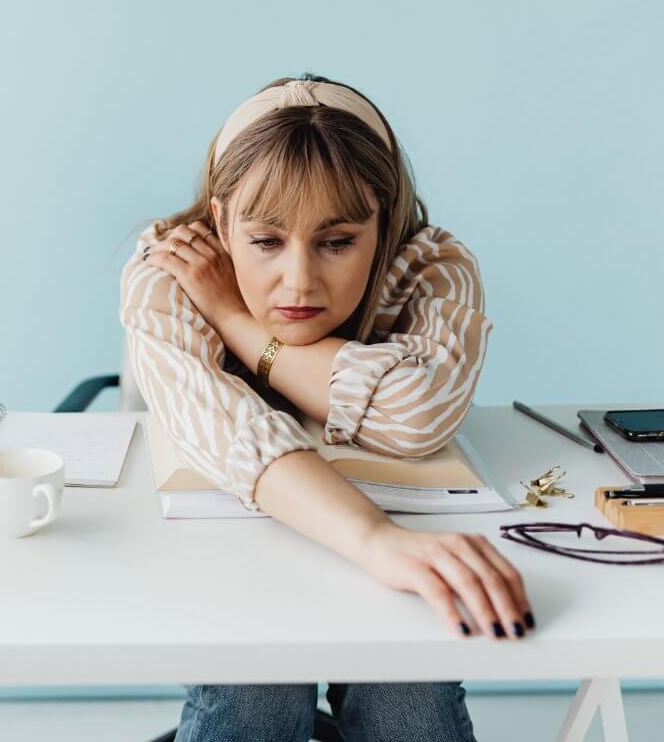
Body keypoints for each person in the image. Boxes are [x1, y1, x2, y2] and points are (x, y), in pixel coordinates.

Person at [118, 73, 533, 742]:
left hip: (382, 542)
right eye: (265, 242)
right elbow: (233, 432)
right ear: (222, 221)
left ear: (385, 221)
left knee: (408, 692)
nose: (300, 280)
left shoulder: (432, 266)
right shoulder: (171, 264)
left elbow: (416, 414)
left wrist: (237, 320)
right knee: (259, 685)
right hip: (215, 550)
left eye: (338, 242)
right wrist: (376, 541)